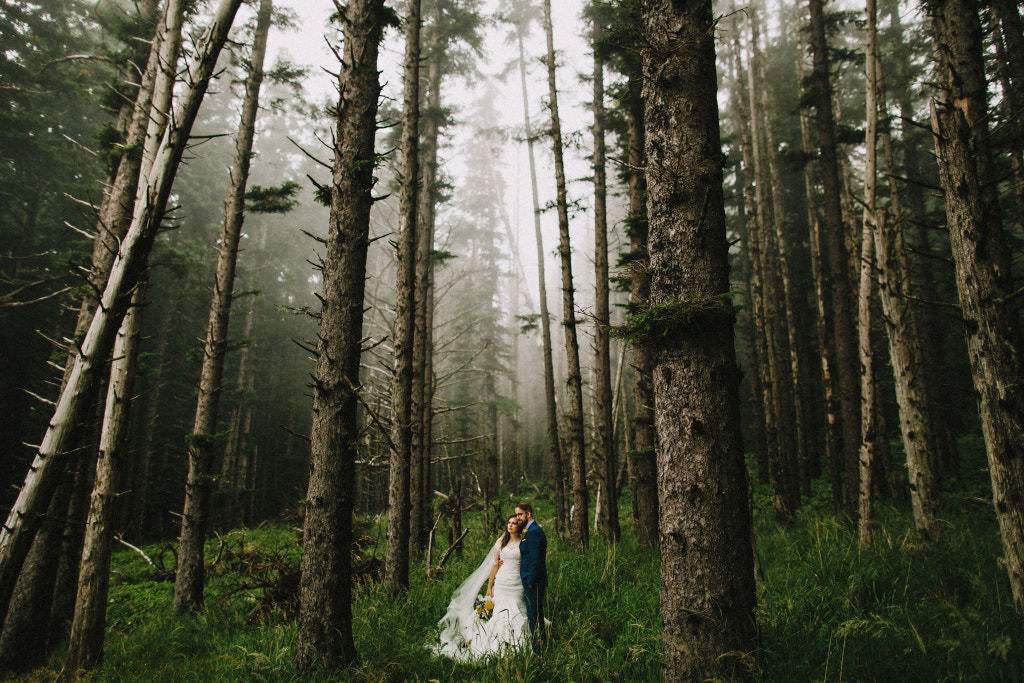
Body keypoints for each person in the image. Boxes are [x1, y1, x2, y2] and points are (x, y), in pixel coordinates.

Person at [432, 515, 533, 661]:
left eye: (514, 523)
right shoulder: (500, 543)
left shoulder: (524, 543)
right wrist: (489, 587)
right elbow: (494, 565)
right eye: (509, 523)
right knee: (496, 611)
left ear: (519, 526)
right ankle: (494, 642)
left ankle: (513, 643)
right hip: (502, 582)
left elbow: (529, 563)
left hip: (517, 583)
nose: (510, 526)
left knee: (515, 609)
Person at [515, 501, 547, 650]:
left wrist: (530, 581)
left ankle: (537, 648)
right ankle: (542, 643)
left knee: (534, 615)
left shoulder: (533, 531)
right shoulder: (530, 530)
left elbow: (536, 560)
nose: (518, 518)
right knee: (537, 614)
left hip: (534, 582)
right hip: (533, 581)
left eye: (520, 514)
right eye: (516, 515)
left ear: (528, 514)